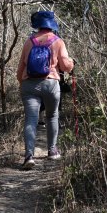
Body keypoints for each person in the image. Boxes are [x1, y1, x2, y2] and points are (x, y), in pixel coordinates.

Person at [16, 11, 75, 170]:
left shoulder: (29, 42)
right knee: (52, 115)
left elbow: (19, 71)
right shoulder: (58, 41)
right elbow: (65, 67)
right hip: (51, 84)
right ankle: (52, 151)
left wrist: (24, 85)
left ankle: (29, 155)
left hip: (29, 85)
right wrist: (71, 63)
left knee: (31, 119)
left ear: (38, 25)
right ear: (51, 25)